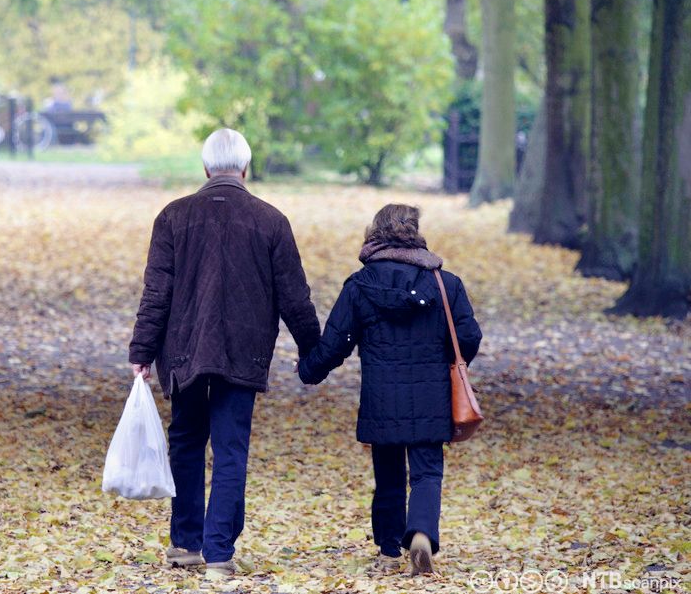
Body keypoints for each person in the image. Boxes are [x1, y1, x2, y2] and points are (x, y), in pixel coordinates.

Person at [129, 128, 321, 578]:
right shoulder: (271, 220)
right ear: (245, 169)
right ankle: (219, 555)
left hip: (184, 351)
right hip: (244, 350)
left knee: (187, 443)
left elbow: (157, 293)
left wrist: (142, 349)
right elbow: (295, 297)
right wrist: (315, 353)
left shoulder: (173, 217)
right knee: (231, 449)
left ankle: (185, 543)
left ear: (205, 168)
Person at [296, 203, 482, 576]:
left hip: (382, 397)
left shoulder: (360, 285)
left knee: (389, 474)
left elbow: (335, 343)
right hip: (432, 395)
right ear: (415, 232)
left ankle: (387, 548)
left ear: (374, 232)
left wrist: (309, 370)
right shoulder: (445, 284)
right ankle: (423, 535)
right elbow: (469, 337)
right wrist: (441, 358)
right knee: (427, 473)